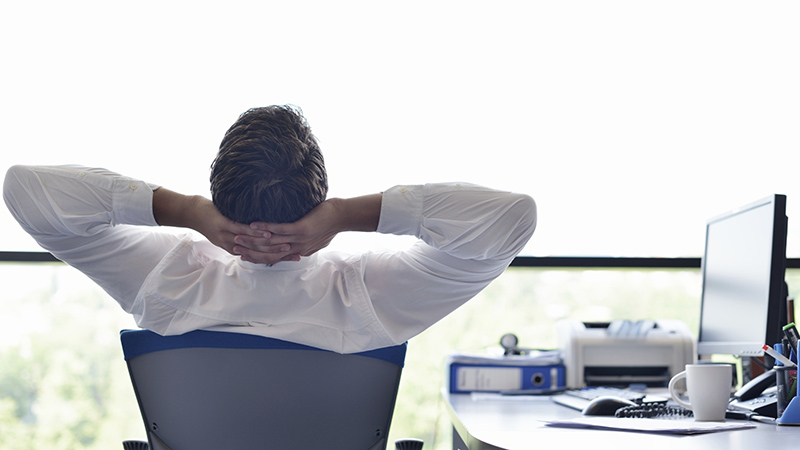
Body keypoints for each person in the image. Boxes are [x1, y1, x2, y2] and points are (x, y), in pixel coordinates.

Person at [3, 105, 537, 353]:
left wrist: (187, 211)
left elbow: (25, 189)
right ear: (318, 197)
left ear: (218, 194)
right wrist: (346, 215)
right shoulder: (371, 299)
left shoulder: (165, 282)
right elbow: (511, 218)